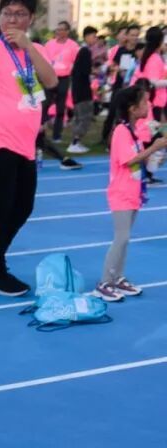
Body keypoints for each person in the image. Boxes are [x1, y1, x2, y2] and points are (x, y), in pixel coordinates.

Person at [0, 0, 58, 297]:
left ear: (30, 18)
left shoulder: (36, 50)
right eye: (7, 13)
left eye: (19, 14)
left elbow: (51, 80)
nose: (12, 19)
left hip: (25, 145)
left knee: (23, 207)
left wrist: (28, 47)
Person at [94, 86, 167, 301]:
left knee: (125, 239)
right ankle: (104, 282)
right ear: (133, 109)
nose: (148, 105)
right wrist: (154, 148)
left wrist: (155, 156)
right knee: (121, 238)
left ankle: (118, 277)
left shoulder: (132, 131)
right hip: (121, 193)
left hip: (133, 191)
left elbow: (138, 160)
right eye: (144, 102)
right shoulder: (121, 131)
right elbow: (128, 160)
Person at [43, 21, 78, 143]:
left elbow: (75, 62)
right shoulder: (49, 44)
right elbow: (44, 59)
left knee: (60, 107)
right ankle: (40, 132)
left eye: (61, 29)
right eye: (57, 29)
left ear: (67, 31)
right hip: (50, 77)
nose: (58, 32)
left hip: (64, 78)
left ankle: (57, 135)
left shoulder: (73, 46)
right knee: (45, 104)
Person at [67, 26, 98, 154]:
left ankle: (76, 142)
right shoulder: (85, 51)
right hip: (82, 90)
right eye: (94, 36)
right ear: (86, 36)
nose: (95, 39)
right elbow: (85, 71)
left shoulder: (81, 51)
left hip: (77, 90)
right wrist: (95, 71)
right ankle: (75, 142)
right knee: (84, 117)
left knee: (79, 117)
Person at [131, 27, 165, 122]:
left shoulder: (150, 56)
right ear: (160, 41)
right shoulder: (154, 58)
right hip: (155, 100)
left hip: (154, 100)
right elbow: (153, 82)